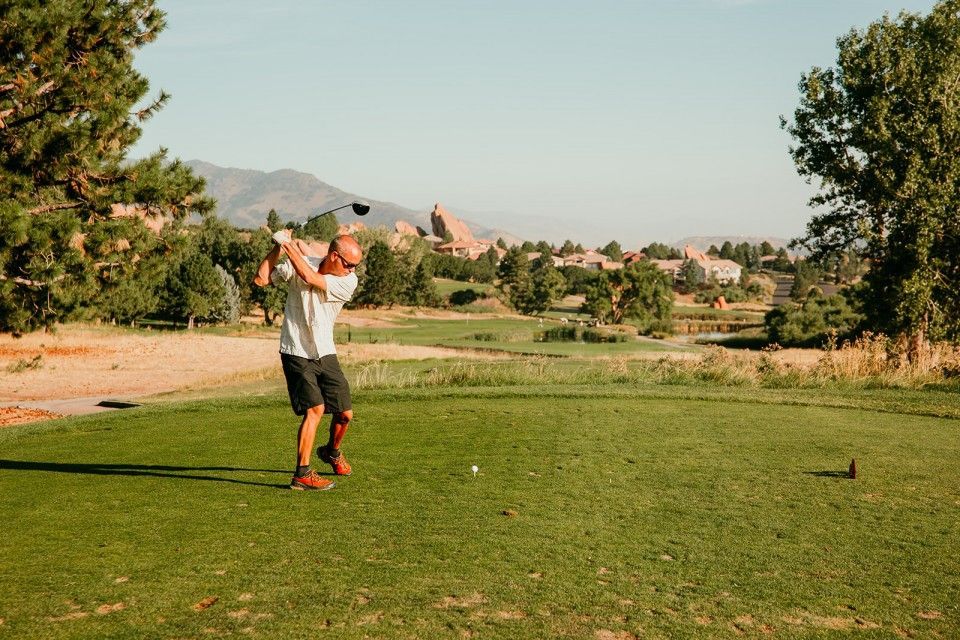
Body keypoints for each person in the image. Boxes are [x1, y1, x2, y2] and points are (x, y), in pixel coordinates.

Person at [253, 231, 364, 491]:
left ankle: (332, 452)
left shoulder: (349, 281)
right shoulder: (300, 262)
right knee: (314, 410)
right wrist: (278, 249)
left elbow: (310, 277)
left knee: (345, 414)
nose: (352, 270)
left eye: (356, 266)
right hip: (295, 349)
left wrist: (288, 244)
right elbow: (261, 279)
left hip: (324, 350)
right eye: (349, 264)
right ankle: (302, 474)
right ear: (334, 256)